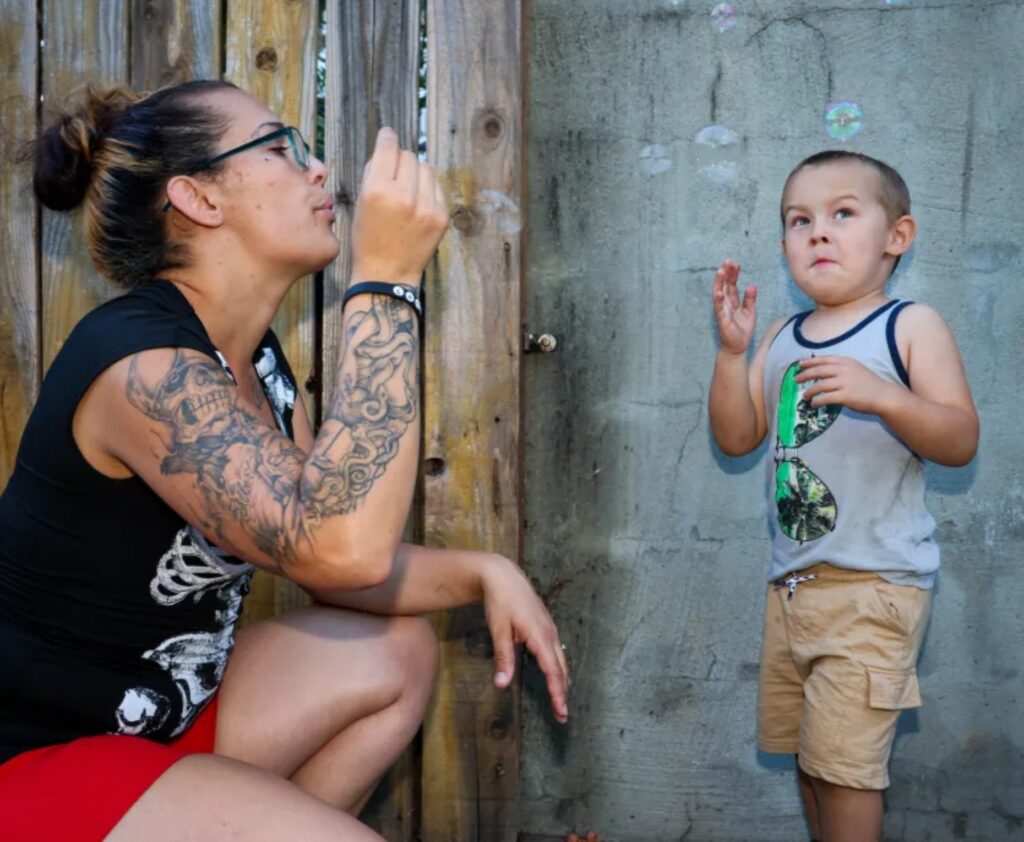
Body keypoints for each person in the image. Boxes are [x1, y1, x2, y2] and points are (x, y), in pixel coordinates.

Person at [0, 79, 569, 842]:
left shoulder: (256, 362)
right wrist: (388, 282)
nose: (317, 169)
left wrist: (484, 572)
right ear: (200, 199)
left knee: (395, 652)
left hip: (157, 721)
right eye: (279, 148)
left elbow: (320, 553)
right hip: (38, 761)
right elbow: (340, 546)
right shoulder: (137, 366)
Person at [708, 151, 978, 842]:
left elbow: (959, 439)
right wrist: (734, 356)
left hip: (875, 587)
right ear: (784, 245)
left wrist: (883, 395)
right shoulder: (779, 337)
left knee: (848, 769)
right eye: (799, 221)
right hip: (792, 589)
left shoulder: (909, 326)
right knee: (811, 758)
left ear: (898, 236)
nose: (817, 233)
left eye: (842, 214)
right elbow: (738, 439)